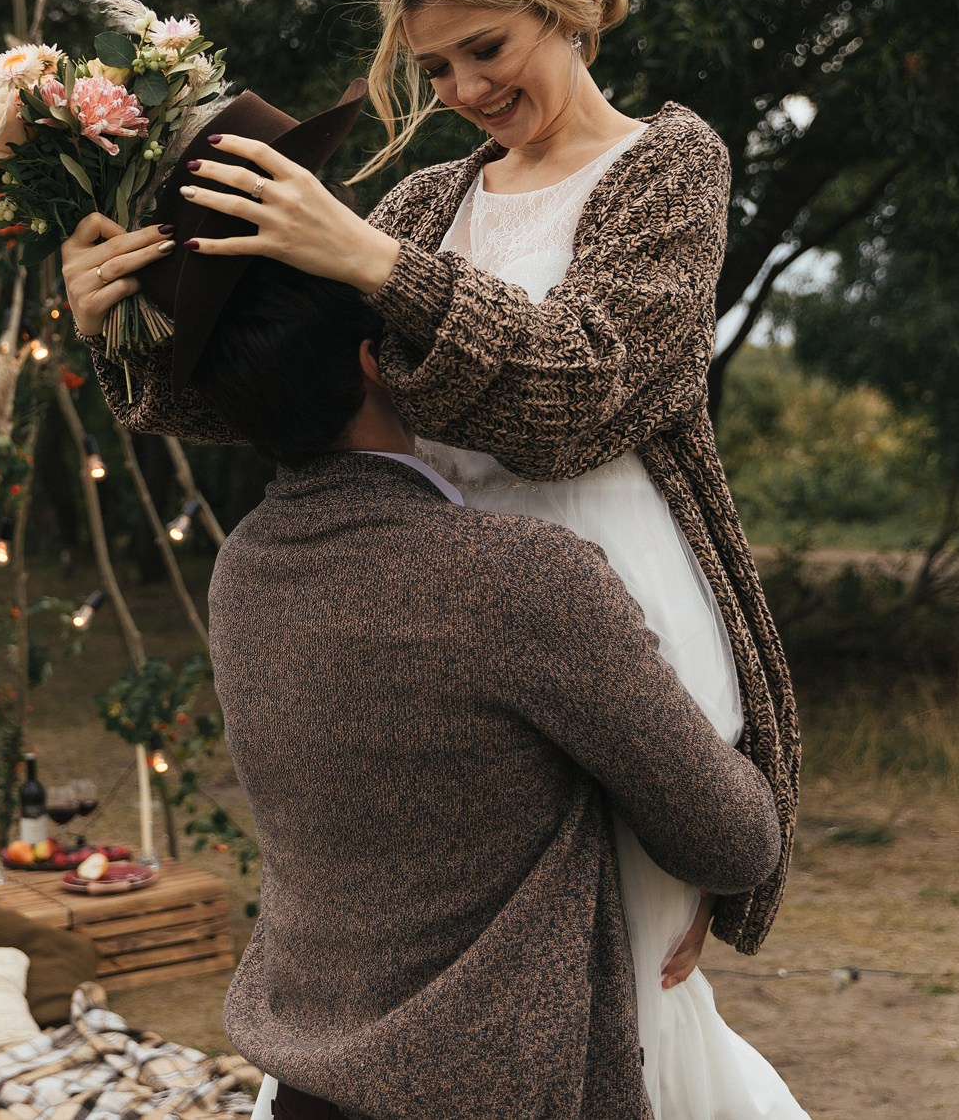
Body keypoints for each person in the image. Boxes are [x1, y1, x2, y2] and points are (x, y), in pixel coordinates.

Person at [62, 0, 802, 1118]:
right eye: (437, 68)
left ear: (565, 1)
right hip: (446, 628)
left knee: (628, 997)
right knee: (487, 1001)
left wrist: (370, 259)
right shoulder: (426, 202)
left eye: (485, 49)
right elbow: (296, 388)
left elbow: (587, 395)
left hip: (617, 615)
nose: (464, 93)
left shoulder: (664, 166)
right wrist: (124, 335)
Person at [192, 255, 782, 1120]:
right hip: (501, 1088)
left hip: (310, 1085)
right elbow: (735, 841)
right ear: (371, 359)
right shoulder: (516, 578)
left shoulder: (240, 569)